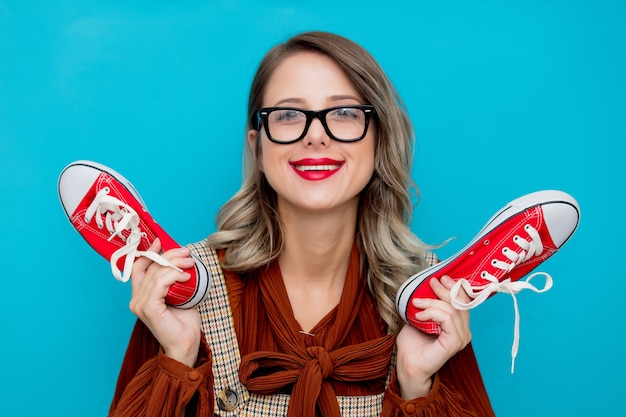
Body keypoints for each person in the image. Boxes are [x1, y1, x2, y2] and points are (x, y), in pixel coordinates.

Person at [108, 31, 495, 417]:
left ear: (378, 142)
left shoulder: (429, 297)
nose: (315, 136)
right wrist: (177, 358)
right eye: (289, 115)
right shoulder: (182, 288)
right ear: (258, 147)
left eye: (344, 113)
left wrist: (415, 386)